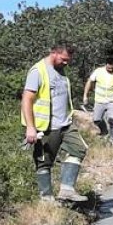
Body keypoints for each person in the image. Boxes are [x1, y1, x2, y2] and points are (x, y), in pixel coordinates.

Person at [21, 42, 89, 203]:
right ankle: (47, 200)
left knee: (79, 149)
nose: (66, 63)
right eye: (64, 59)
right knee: (44, 162)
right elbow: (27, 99)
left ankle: (67, 189)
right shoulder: (38, 71)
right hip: (45, 128)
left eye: (68, 60)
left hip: (65, 124)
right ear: (54, 53)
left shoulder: (61, 70)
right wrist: (30, 128)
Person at [82, 57, 113, 142]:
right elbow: (90, 82)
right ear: (106, 64)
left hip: (112, 100)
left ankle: (112, 138)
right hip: (100, 100)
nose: (110, 69)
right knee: (96, 120)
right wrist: (85, 95)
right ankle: (104, 130)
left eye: (112, 68)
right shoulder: (98, 71)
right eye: (108, 67)